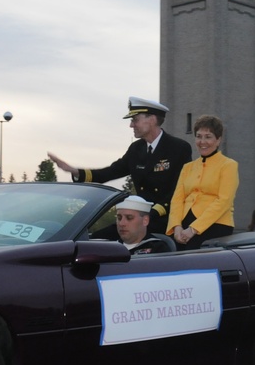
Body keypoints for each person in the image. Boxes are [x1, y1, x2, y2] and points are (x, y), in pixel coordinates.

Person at [47, 97, 192, 234]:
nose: (131, 125)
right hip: (141, 218)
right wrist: (76, 172)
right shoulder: (136, 149)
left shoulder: (178, 148)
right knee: (94, 239)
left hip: (166, 220)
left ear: (152, 120)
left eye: (135, 120)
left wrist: (151, 213)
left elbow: (178, 191)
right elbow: (112, 172)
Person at [166, 115, 239, 250]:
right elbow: (177, 199)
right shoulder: (187, 167)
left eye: (208, 137)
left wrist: (193, 229)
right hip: (183, 226)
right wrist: (176, 227)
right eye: (199, 136)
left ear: (218, 140)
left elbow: (224, 201)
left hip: (216, 225)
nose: (202, 141)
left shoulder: (228, 165)